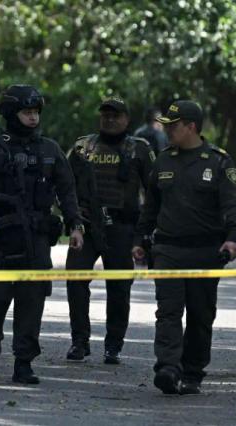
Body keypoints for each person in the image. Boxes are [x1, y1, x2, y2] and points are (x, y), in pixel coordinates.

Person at [0, 84, 84, 384]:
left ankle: (24, 362)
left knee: (32, 301)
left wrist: (76, 225)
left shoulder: (49, 150)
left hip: (35, 241)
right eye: (27, 112)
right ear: (11, 114)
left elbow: (67, 190)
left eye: (36, 112)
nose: (33, 118)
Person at [132, 100, 236, 395]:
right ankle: (168, 368)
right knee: (168, 311)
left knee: (200, 314)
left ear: (191, 127)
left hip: (206, 251)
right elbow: (151, 207)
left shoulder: (219, 162)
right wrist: (140, 239)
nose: (167, 130)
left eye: (174, 125)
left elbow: (233, 204)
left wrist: (233, 238)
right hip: (168, 250)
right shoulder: (163, 160)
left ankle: (192, 372)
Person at [65, 97, 155, 364]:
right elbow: (65, 185)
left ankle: (113, 345)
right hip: (87, 227)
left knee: (119, 288)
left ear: (127, 119)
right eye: (105, 115)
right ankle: (79, 342)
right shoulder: (83, 147)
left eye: (116, 115)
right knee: (76, 282)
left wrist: (144, 234)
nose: (110, 119)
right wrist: (73, 221)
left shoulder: (139, 149)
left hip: (122, 228)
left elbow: (154, 192)